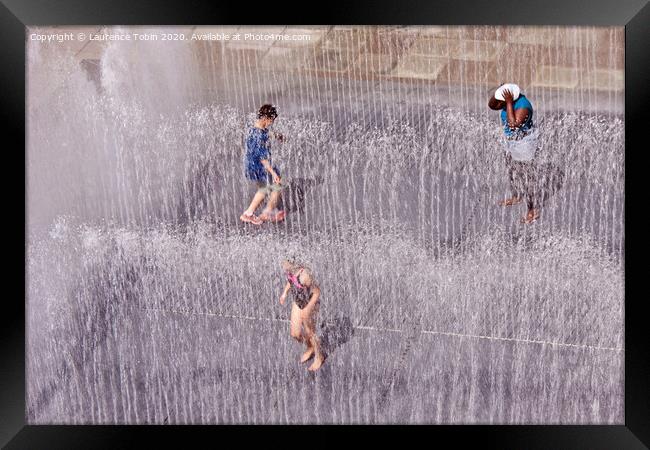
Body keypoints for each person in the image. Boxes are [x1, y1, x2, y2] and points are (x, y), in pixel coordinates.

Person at [488, 83, 541, 224]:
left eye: (504, 102)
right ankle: (517, 196)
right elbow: (492, 105)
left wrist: (509, 103)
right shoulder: (508, 99)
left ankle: (532, 209)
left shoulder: (523, 106)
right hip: (511, 142)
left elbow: (513, 125)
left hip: (524, 144)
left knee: (527, 177)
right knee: (512, 170)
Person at [240, 104, 286, 225]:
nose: (272, 123)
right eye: (271, 120)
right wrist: (273, 172)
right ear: (265, 118)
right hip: (257, 165)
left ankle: (268, 212)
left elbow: (267, 133)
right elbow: (262, 157)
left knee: (275, 185)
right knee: (266, 188)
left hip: (253, 163)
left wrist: (277, 136)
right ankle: (249, 214)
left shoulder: (258, 129)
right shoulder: (258, 134)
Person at [279, 257, 324, 372]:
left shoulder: (305, 276)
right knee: (295, 334)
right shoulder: (291, 272)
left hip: (310, 304)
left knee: (310, 332)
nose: (282, 265)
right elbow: (291, 281)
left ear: (292, 263)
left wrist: (308, 308)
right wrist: (284, 293)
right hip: (298, 302)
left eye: (284, 263)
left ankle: (319, 357)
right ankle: (310, 347)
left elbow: (317, 292)